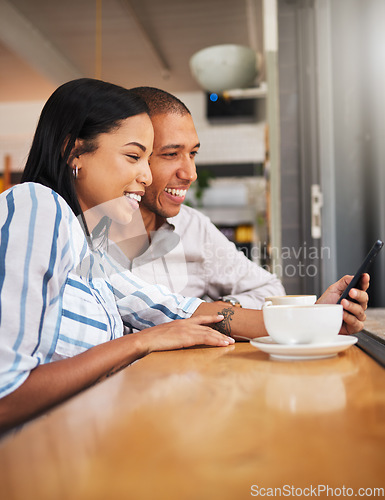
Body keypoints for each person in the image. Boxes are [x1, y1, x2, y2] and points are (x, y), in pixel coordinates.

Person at [0, 78, 237, 434]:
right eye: (133, 156)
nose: (145, 175)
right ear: (74, 152)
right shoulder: (36, 205)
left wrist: (318, 317)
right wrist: (139, 343)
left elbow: (175, 309)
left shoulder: (87, 248)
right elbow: (6, 396)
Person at [127, 86, 369, 320]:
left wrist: (226, 309)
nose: (191, 174)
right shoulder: (96, 239)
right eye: (171, 154)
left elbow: (271, 290)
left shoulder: (193, 227)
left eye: (193, 154)